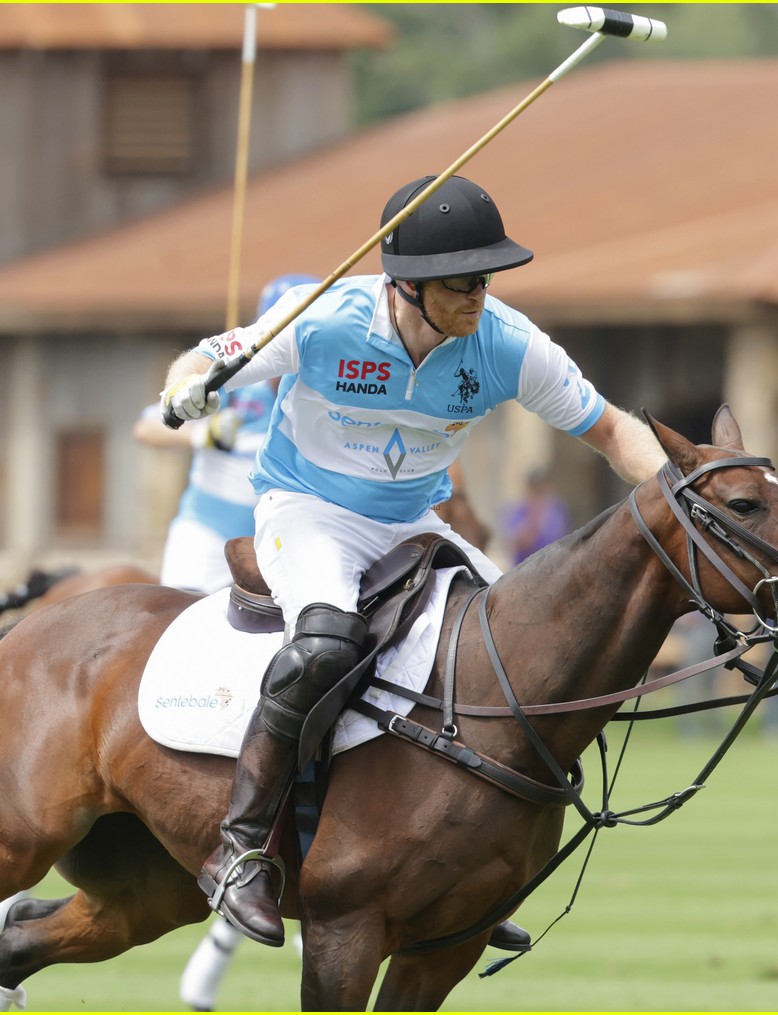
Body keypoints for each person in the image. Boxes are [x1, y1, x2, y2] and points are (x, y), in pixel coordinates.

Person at [160, 174, 667, 951]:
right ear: (406, 286)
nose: (479, 294)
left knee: (523, 655)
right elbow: (206, 358)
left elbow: (612, 432)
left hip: (410, 521)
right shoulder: (326, 320)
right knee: (324, 643)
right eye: (462, 281)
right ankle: (241, 850)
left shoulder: (505, 342)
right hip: (308, 510)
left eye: (486, 277)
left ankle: (468, 863)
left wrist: (679, 492)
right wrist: (189, 391)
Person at [134, 274, 319, 595]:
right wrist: (202, 435)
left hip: (286, 542)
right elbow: (147, 428)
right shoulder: (235, 381)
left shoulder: (332, 393)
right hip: (208, 537)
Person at [501, 467, 572, 565]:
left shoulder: (557, 509)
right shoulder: (518, 510)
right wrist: (533, 516)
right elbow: (519, 542)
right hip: (524, 571)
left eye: (542, 487)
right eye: (536, 488)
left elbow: (563, 540)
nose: (540, 492)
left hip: (552, 568)